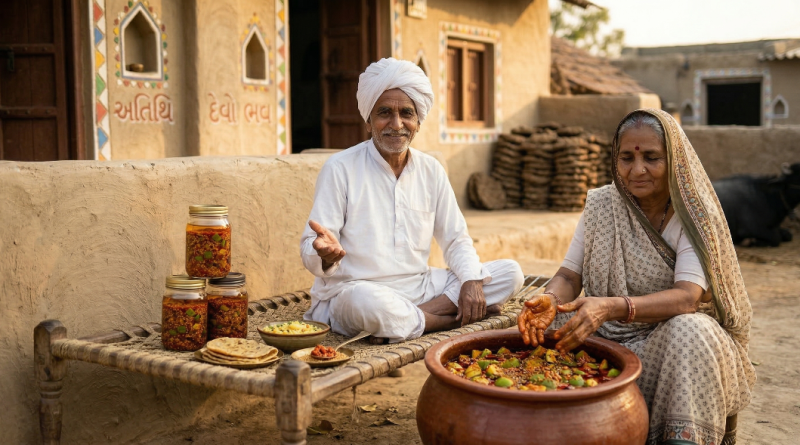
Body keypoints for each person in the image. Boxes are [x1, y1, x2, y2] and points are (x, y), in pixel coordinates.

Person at [518, 109, 756, 445]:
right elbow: (569, 275)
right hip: (603, 338)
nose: (637, 169)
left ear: (673, 159)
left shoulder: (694, 215)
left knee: (692, 330)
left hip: (667, 345)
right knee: (544, 324)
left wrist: (612, 307)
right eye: (626, 158)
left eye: (652, 158)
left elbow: (687, 297)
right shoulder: (602, 205)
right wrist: (551, 299)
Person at [300, 58, 524, 344]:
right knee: (362, 304)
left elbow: (456, 239)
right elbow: (312, 244)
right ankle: (443, 320)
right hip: (359, 290)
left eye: (406, 113)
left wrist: (469, 281)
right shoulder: (340, 168)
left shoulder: (431, 170)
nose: (396, 124)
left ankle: (407, 321)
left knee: (509, 273)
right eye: (384, 113)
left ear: (418, 122)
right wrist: (323, 254)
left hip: (421, 286)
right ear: (368, 120)